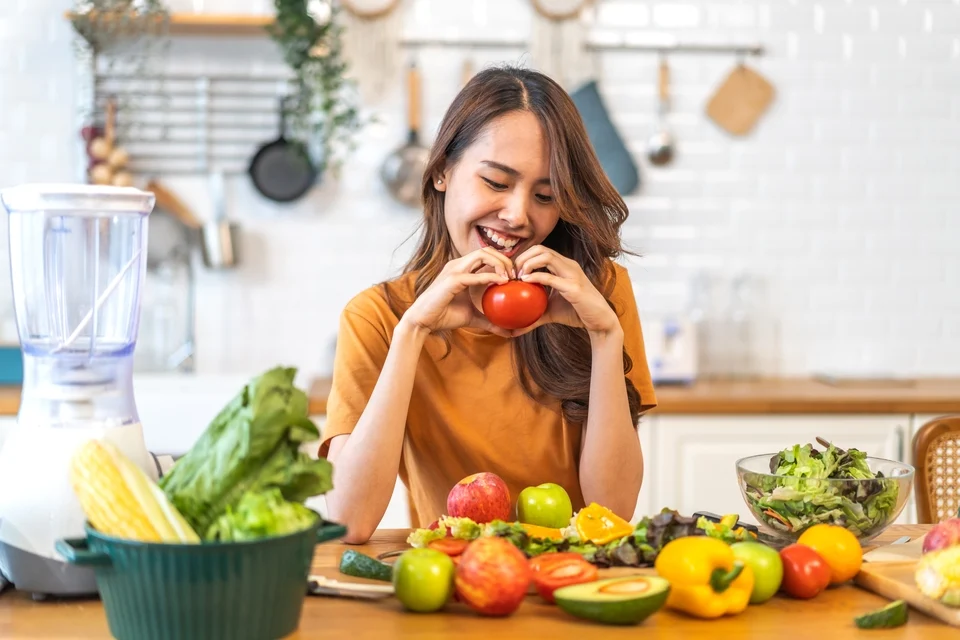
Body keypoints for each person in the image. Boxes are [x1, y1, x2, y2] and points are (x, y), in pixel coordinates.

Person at [319, 65, 657, 544]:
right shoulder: (380, 316)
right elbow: (350, 521)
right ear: (440, 172)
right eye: (497, 183)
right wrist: (413, 331)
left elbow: (613, 511)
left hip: (569, 583)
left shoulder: (597, 295)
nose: (518, 215)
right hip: (454, 585)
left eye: (546, 194)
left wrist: (605, 337)